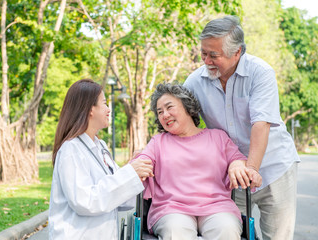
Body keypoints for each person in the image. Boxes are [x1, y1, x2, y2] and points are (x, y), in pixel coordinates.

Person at [184, 15, 300, 240]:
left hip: (274, 167)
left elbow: (261, 123)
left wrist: (253, 169)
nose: (206, 61)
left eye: (214, 55)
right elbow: (183, 124)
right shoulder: (194, 82)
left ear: (237, 52)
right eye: (203, 53)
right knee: (233, 232)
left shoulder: (260, 72)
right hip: (230, 174)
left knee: (278, 236)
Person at [132, 83, 256, 240]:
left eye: (169, 107)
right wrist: (139, 160)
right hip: (171, 208)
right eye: (160, 112)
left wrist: (237, 164)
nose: (165, 115)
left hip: (216, 206)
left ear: (187, 106)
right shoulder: (158, 142)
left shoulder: (218, 137)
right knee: (175, 230)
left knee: (227, 229)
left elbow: (238, 159)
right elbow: (142, 163)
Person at [48, 79, 153, 239]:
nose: (108, 109)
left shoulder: (100, 146)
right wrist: (130, 173)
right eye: (104, 103)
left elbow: (120, 193)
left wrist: (135, 170)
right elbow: (84, 201)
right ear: (90, 109)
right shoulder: (71, 150)